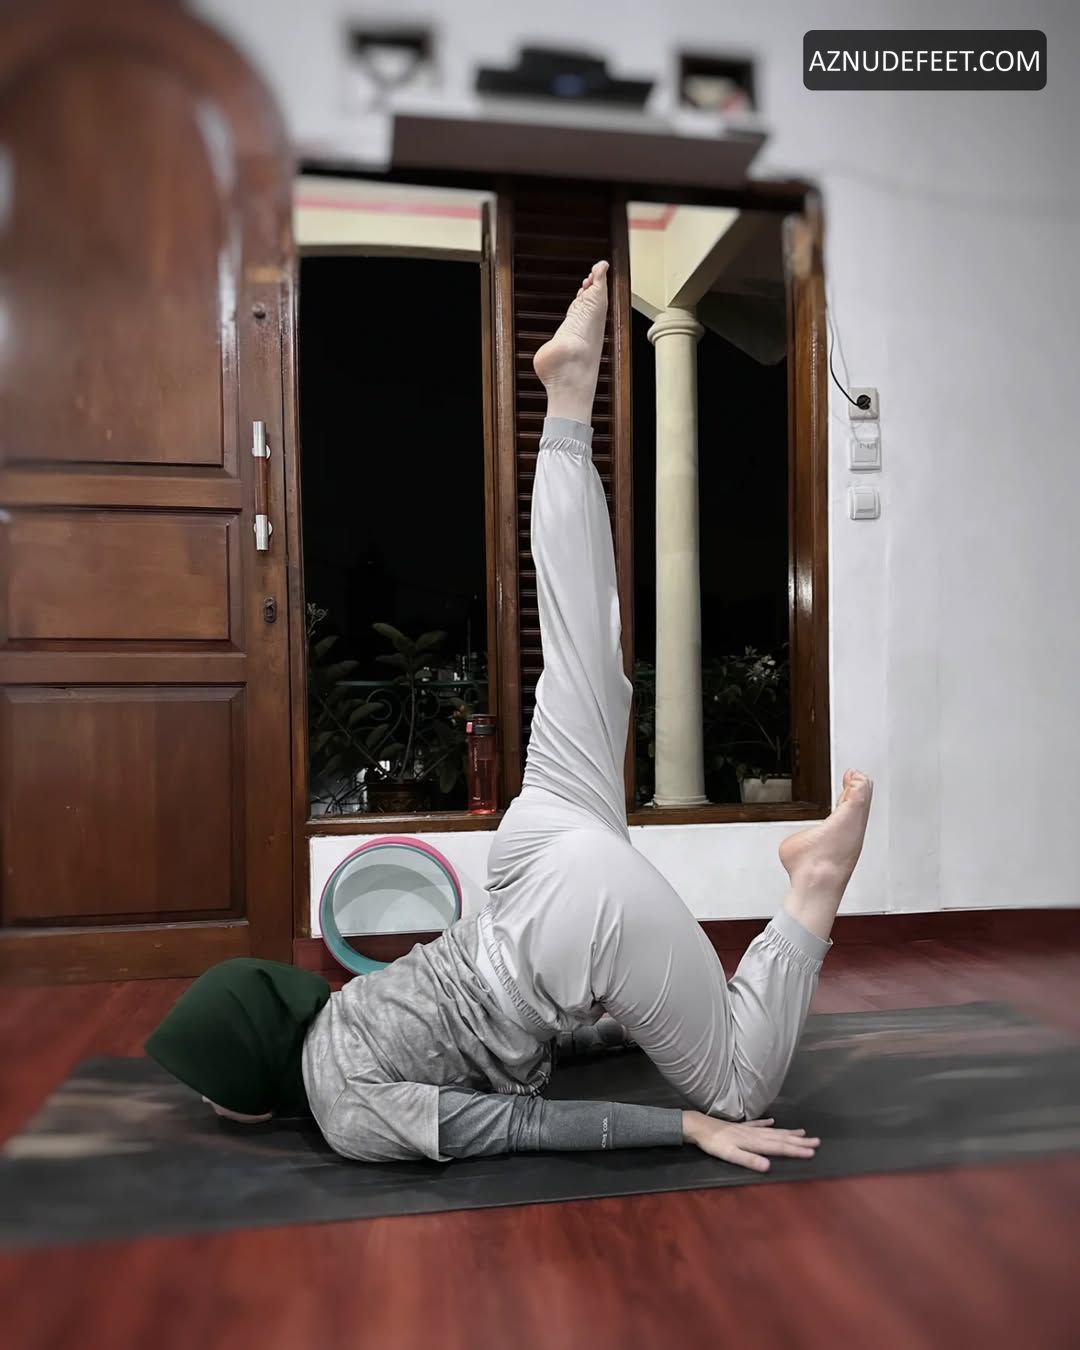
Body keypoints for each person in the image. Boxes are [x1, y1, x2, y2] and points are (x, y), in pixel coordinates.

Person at [146, 261, 873, 1173]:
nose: (207, 1096)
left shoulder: (342, 1108)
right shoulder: (347, 1006)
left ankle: (814, 883)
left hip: (568, 922)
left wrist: (688, 1125)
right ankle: (567, 405)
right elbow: (535, 1063)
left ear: (249, 1067)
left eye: (208, 1080)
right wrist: (629, 1032)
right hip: (528, 854)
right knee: (582, 648)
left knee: (735, 1089)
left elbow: (516, 1126)